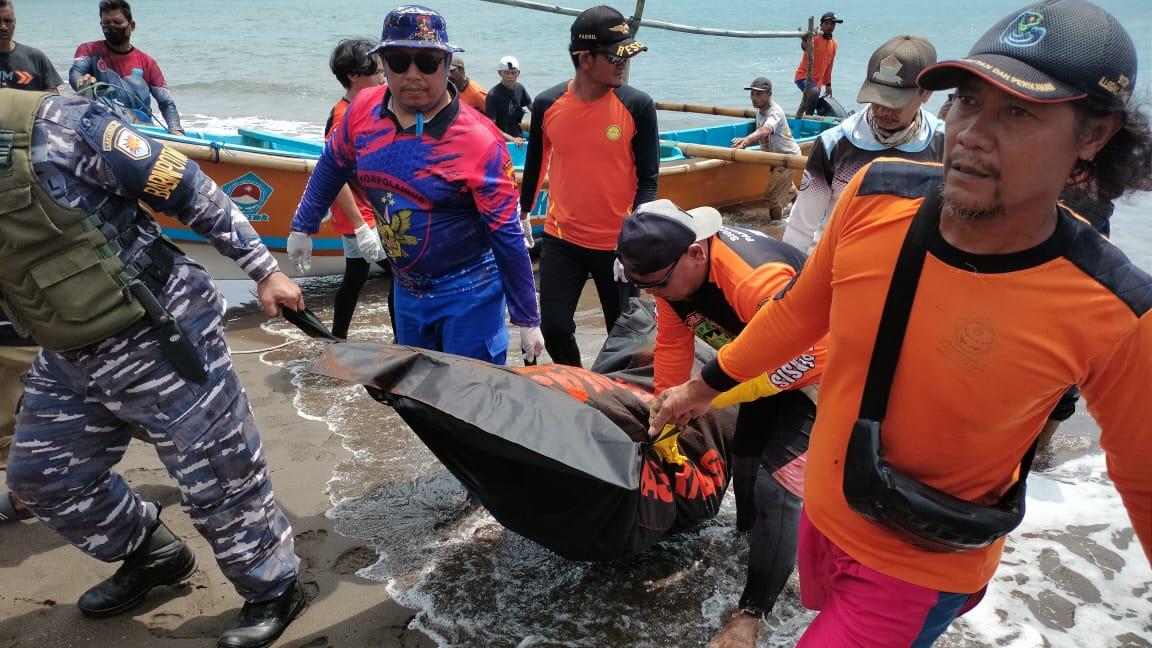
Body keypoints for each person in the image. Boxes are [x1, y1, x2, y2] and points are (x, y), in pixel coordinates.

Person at [650, 1, 1152, 645]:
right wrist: (703, 387)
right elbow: (798, 314)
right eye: (967, 101)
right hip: (828, 512)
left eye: (1019, 113)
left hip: (921, 558)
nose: (972, 132)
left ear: (1094, 135)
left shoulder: (1115, 307)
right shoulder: (874, 194)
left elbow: (1141, 476)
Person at [0, 89, 309, 647]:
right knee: (42, 479)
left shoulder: (62, 125)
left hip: (162, 333)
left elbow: (188, 188)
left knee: (219, 481)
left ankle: (274, 589)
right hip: (69, 351)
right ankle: (153, 554)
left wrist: (264, 270)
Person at [616, 199, 827, 648]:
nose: (656, 294)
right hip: (755, 364)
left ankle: (751, 613)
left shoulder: (754, 280)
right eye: (644, 287)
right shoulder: (672, 276)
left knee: (779, 483)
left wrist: (707, 393)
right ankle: (752, 538)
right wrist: (667, 412)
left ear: (695, 252)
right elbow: (673, 346)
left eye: (659, 284)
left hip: (824, 368)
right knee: (745, 453)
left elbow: (809, 356)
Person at [289, 5, 544, 366]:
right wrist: (304, 222)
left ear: (446, 63)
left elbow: (504, 231)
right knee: (420, 394)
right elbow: (334, 162)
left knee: (469, 402)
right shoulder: (362, 110)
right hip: (408, 290)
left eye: (426, 62)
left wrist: (527, 317)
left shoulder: (479, 141)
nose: (412, 75)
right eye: (397, 61)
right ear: (383, 63)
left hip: (469, 292)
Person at [520, 4, 659, 367]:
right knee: (554, 329)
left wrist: (634, 236)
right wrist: (521, 216)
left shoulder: (637, 106)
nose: (623, 64)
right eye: (614, 57)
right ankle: (580, 384)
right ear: (584, 59)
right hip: (562, 239)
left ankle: (615, 396)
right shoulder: (548, 104)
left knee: (626, 337)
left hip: (617, 246)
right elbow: (535, 166)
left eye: (626, 57)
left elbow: (649, 180)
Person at [783, 34, 945, 254]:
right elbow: (801, 227)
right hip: (840, 263)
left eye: (894, 102)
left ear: (926, 93)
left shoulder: (944, 144)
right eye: (877, 99)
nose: (883, 110)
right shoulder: (835, 144)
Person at [324, 37, 394, 342]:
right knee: (401, 274)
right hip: (361, 216)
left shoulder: (367, 108)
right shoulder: (342, 116)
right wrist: (359, 224)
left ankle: (336, 340)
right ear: (354, 75)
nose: (383, 78)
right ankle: (402, 341)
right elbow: (333, 174)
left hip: (369, 211)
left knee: (355, 276)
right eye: (377, 71)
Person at [68, 0, 184, 135]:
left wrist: (176, 130)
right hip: (102, 128)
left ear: (132, 25)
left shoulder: (147, 62)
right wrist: (81, 81)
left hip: (142, 131)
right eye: (106, 23)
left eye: (117, 23)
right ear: (101, 24)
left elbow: (165, 102)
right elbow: (76, 73)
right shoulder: (89, 50)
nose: (111, 27)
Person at [731, 77, 801, 220]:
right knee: (790, 190)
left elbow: (765, 131)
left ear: (769, 94)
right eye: (752, 94)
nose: (754, 98)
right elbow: (761, 134)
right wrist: (744, 143)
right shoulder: (760, 112)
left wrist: (746, 141)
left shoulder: (775, 112)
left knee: (771, 198)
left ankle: (776, 228)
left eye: (758, 94)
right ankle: (802, 212)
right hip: (774, 159)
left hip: (787, 157)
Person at [0, 0, 61, 92]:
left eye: (8, 20)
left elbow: (52, 98)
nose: (3, 27)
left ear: (14, 23)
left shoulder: (35, 57)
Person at [794, 11, 842, 116]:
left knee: (815, 99)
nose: (830, 26)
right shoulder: (815, 36)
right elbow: (805, 46)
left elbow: (829, 66)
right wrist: (806, 39)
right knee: (814, 92)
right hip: (803, 76)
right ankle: (808, 118)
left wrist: (828, 84)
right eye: (827, 23)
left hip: (818, 82)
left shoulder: (834, 43)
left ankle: (805, 119)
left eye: (833, 24)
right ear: (821, 25)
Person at [485, 55, 532, 145]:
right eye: (506, 73)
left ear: (518, 73)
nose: (510, 76)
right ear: (500, 73)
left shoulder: (520, 88)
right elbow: (491, 126)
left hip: (519, 134)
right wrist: (511, 139)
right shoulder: (493, 95)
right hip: (501, 139)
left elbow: (532, 107)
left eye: (513, 73)